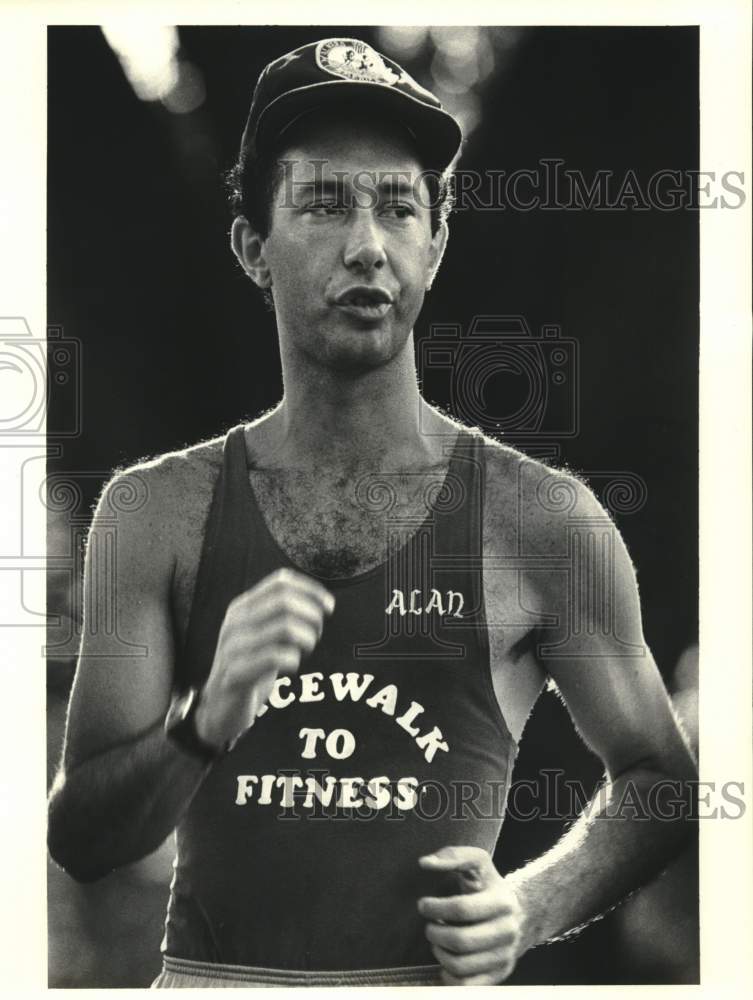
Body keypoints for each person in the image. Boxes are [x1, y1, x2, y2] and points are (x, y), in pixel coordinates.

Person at [47, 37, 697, 988]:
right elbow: (84, 838)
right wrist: (204, 717)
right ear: (251, 248)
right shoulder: (155, 511)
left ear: (433, 247)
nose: (366, 244)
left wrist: (528, 905)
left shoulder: (543, 519)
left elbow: (661, 780)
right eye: (322, 203)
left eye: (398, 207)